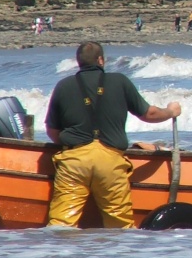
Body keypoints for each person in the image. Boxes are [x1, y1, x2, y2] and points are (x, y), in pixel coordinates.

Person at [45, 41, 181, 228]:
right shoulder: (120, 81)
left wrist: (70, 145)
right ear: (101, 60)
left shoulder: (63, 86)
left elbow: (52, 130)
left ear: (78, 62)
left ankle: (60, 247)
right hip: (110, 160)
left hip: (74, 161)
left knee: (61, 225)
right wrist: (171, 111)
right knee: (120, 226)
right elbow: (149, 114)